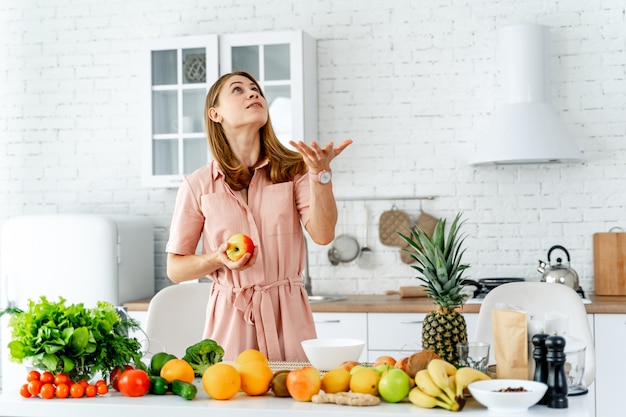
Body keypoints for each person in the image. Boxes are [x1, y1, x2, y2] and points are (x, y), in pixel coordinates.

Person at [165, 71, 353, 361]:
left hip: (288, 317)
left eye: (256, 90)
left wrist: (321, 175)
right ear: (215, 114)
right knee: (232, 400)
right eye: (238, 90)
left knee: (293, 399)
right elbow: (176, 269)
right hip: (230, 320)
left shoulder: (294, 171)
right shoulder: (198, 185)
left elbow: (323, 234)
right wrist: (217, 258)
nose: (254, 94)